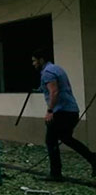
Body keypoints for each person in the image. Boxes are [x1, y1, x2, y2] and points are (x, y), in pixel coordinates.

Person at [32, 49, 96, 181]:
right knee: (66, 138)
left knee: (51, 141)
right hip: (71, 110)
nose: (33, 64)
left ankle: (55, 174)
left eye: (34, 61)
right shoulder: (56, 69)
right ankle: (93, 158)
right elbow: (56, 89)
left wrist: (50, 111)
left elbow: (54, 92)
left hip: (61, 112)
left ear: (41, 60)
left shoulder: (47, 73)